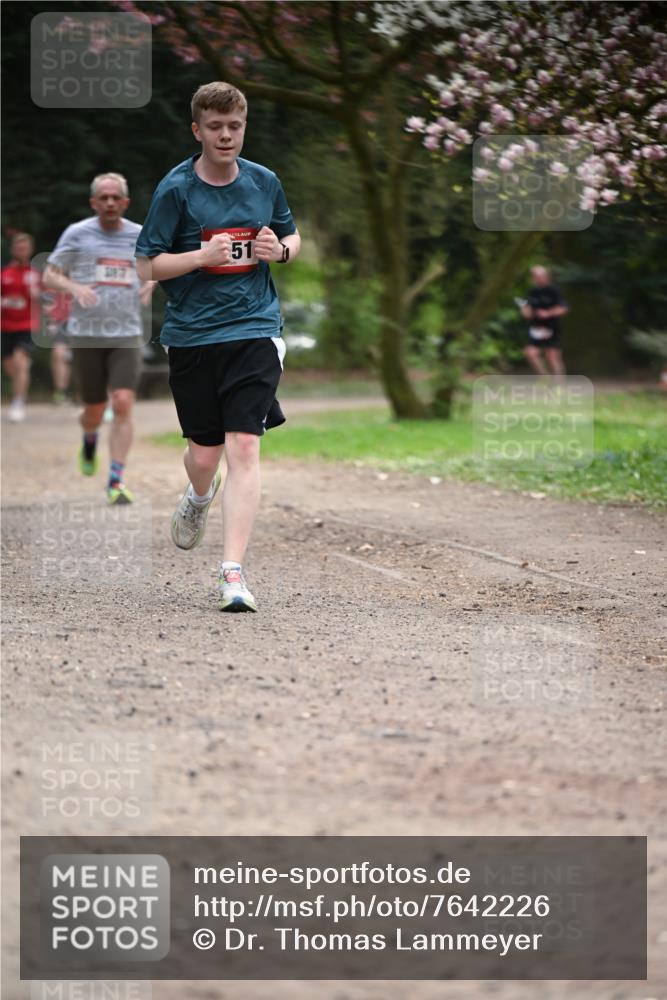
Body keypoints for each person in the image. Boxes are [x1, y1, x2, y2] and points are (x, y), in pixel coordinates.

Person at [135, 81, 301, 613]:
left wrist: (280, 252)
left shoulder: (264, 181)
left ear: (243, 127)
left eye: (234, 126)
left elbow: (291, 237)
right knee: (205, 456)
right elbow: (146, 265)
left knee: (244, 445)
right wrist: (199, 258)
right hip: (192, 335)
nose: (226, 135)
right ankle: (198, 495)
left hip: (255, 328)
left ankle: (233, 572)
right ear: (197, 130)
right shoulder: (176, 190)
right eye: (215, 127)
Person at [43, 173, 155, 504]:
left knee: (122, 402)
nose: (109, 203)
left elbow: (157, 266)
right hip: (86, 334)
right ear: (93, 202)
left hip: (126, 333)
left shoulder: (139, 234)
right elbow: (50, 274)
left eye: (115, 197)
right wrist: (74, 287)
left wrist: (151, 283)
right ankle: (90, 436)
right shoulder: (78, 233)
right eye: (103, 198)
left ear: (125, 202)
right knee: (94, 409)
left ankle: (116, 481)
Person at [1, 232, 41, 422]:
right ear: (13, 250)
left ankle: (18, 402)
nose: (21, 251)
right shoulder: (4, 273)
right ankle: (20, 385)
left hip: (27, 324)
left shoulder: (36, 273)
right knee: (10, 365)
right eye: (19, 248)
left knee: (20, 361)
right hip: (5, 324)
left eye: (25, 248)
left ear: (30, 250)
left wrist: (38, 295)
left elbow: (48, 298)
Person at [519, 265, 569, 381]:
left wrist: (548, 313)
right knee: (530, 353)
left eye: (540, 275)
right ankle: (545, 379)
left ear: (546, 276)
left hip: (552, 327)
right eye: (535, 276)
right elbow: (528, 309)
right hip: (536, 328)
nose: (537, 278)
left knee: (552, 356)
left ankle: (560, 384)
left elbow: (564, 308)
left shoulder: (554, 290)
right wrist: (525, 311)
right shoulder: (532, 291)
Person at [42, 290, 72, 403]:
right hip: (60, 321)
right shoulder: (54, 282)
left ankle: (85, 394)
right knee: (58, 355)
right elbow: (47, 302)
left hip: (83, 322)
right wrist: (50, 321)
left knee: (74, 358)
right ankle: (61, 391)